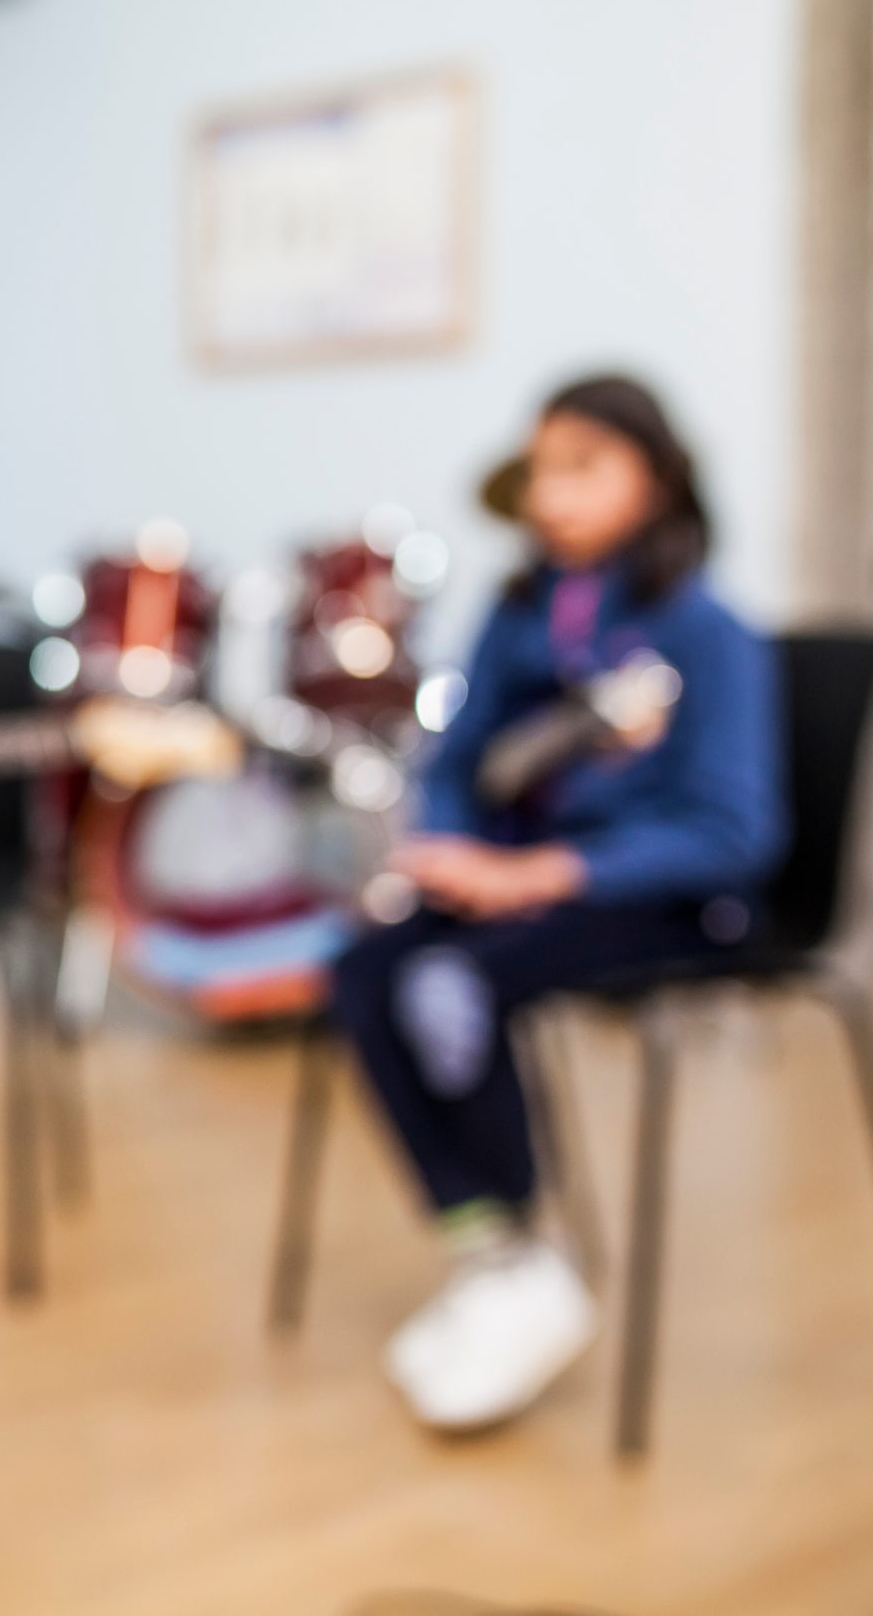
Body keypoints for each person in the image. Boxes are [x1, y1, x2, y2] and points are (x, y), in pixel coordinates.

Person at [329, 374, 786, 1435]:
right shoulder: (521, 615)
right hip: (518, 877)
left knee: (451, 984)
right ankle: (489, 1248)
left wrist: (540, 876)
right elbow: (458, 760)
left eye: (583, 467)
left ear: (655, 478)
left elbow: (735, 832)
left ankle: (530, 1257)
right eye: (541, 470)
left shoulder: (706, 632)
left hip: (659, 895)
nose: (552, 494)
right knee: (366, 968)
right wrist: (450, 849)